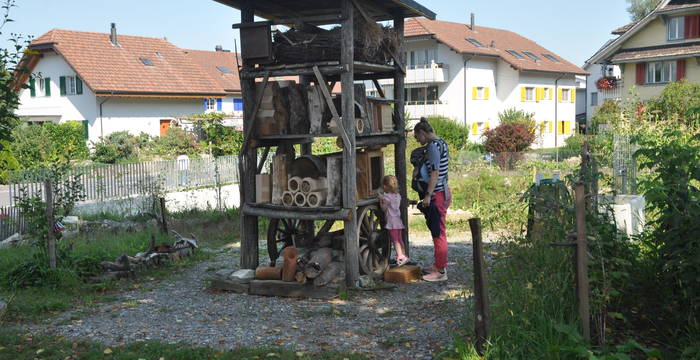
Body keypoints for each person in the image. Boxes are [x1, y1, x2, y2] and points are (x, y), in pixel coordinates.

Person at [413, 117, 451, 282]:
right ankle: (437, 265)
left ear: (422, 133)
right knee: (437, 231)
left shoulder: (433, 147)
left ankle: (441, 272)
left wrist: (428, 195)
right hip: (442, 191)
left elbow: (435, 172)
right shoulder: (441, 142)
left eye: (417, 137)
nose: (416, 140)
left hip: (437, 194)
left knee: (438, 233)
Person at [378, 175, 408, 266]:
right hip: (398, 221)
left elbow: (384, 208)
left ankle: (400, 257)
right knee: (400, 239)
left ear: (385, 186)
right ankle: (403, 255)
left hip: (392, 222)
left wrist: (381, 200)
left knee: (395, 241)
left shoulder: (386, 198)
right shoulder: (397, 196)